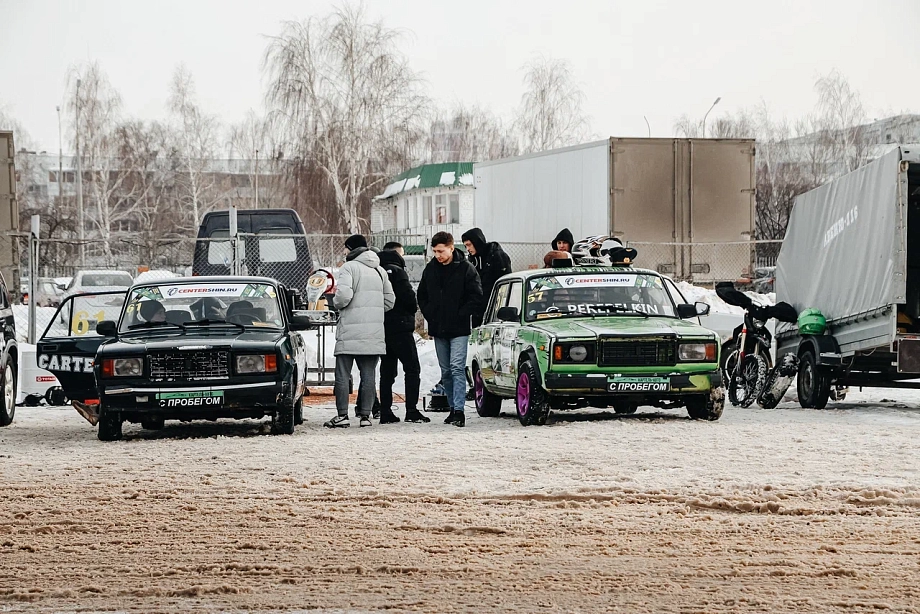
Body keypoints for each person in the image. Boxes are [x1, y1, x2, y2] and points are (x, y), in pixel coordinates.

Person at [325, 234, 395, 429]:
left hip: (349, 331)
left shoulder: (348, 268)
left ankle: (342, 416)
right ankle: (365, 416)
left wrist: (338, 305)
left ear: (351, 249)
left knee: (342, 375)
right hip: (373, 333)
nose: (344, 252)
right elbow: (390, 301)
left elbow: (343, 297)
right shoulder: (380, 270)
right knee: (369, 375)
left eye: (346, 248)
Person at [417, 232, 483, 428]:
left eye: (441, 251)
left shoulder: (466, 269)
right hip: (439, 328)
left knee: (456, 367)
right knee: (446, 370)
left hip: (459, 328)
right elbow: (422, 295)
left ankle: (459, 410)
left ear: (451, 248)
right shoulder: (431, 269)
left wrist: (461, 314)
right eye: (435, 251)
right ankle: (453, 407)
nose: (438, 255)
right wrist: (431, 314)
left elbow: (476, 296)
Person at [378, 242, 428, 424]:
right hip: (401, 327)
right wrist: (411, 310)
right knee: (412, 368)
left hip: (382, 327)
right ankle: (411, 410)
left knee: (387, 371)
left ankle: (385, 411)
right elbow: (409, 298)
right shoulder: (398, 272)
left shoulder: (378, 272)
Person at [461, 228, 512, 326]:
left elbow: (505, 281)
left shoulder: (497, 256)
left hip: (494, 305)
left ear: (476, 242)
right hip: (477, 306)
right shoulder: (472, 260)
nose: (467, 249)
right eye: (465, 246)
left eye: (469, 245)